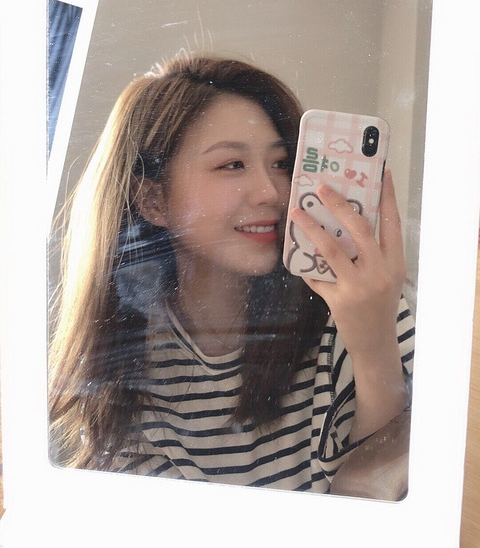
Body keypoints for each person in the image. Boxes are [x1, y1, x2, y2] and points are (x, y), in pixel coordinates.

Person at [49, 54, 414, 494]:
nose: (271, 192)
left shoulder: (364, 302)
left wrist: (374, 348)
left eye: (281, 163)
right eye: (232, 165)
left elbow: (409, 502)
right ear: (153, 201)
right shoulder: (126, 377)